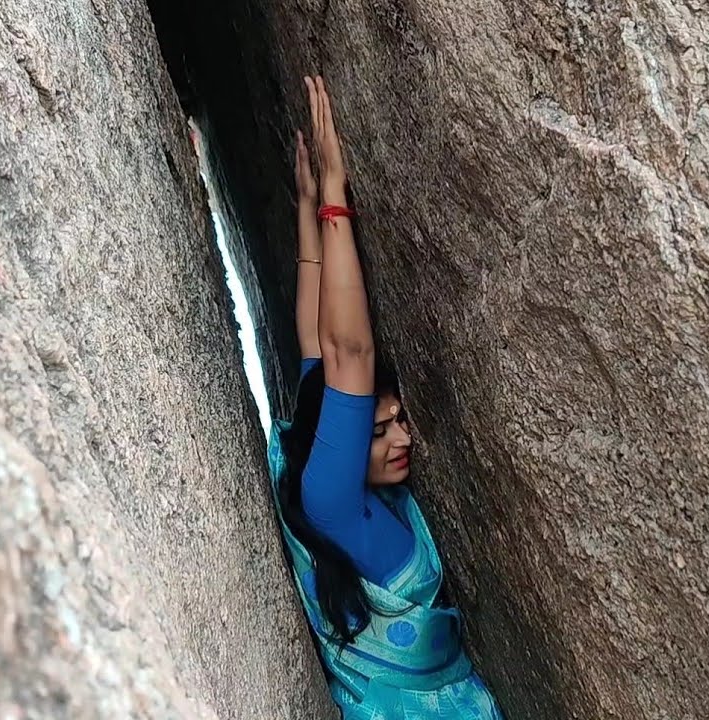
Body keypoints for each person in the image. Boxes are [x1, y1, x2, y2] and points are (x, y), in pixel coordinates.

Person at [265, 75, 504, 719]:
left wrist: (308, 211)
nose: (402, 440)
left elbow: (315, 345)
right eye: (377, 429)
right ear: (338, 445)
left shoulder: (324, 473)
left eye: (398, 420)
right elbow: (348, 355)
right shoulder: (331, 500)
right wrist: (337, 197)